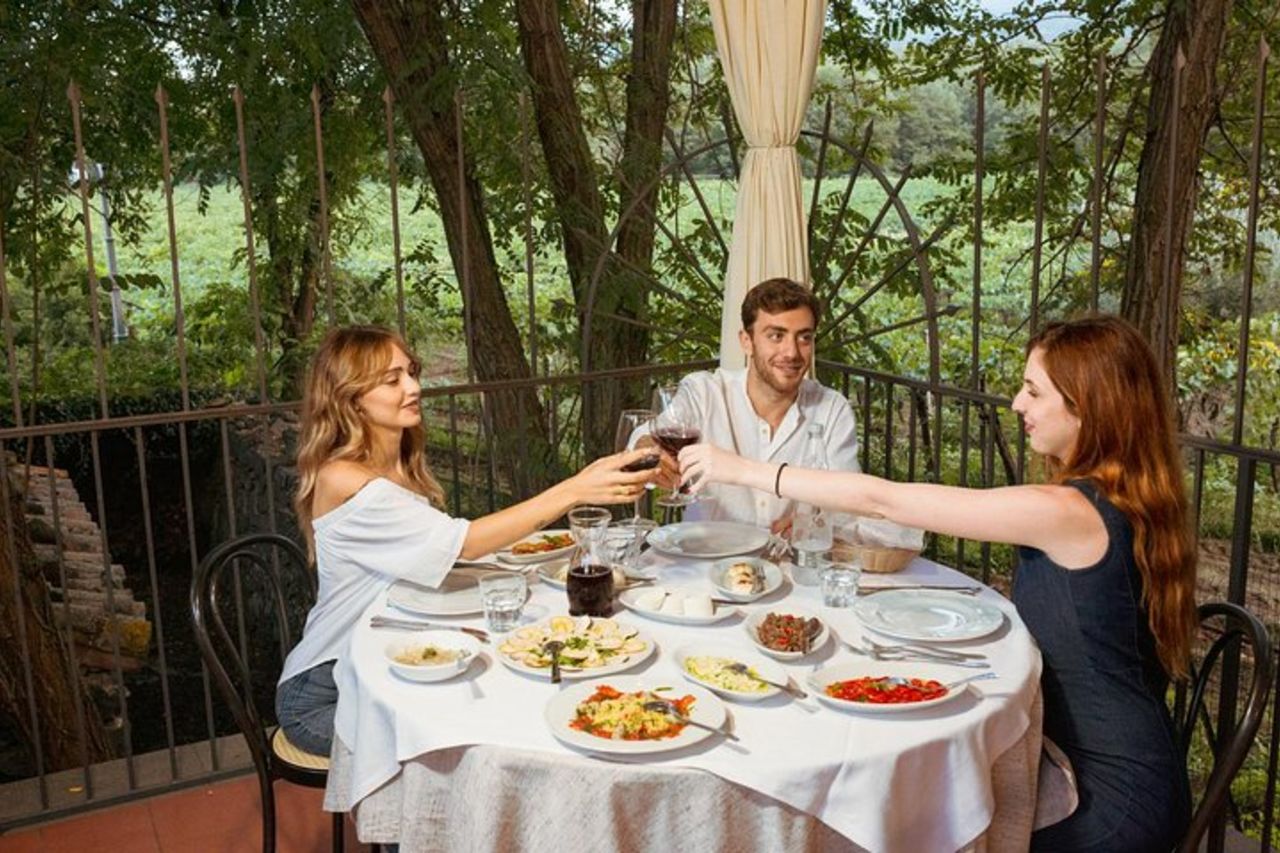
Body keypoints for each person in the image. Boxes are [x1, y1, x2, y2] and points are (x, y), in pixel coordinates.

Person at [679, 315, 1196, 851]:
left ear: (1086, 405)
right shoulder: (1121, 495)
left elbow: (883, 500)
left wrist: (741, 469)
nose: (1017, 403)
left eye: (1033, 391)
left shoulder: (1068, 512)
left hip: (1111, 803)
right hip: (1108, 764)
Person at [276, 325, 656, 758]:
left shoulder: (399, 463)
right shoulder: (345, 479)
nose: (414, 387)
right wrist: (575, 489)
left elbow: (441, 552)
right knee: (465, 739)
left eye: (411, 372)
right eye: (392, 380)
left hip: (395, 656)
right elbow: (466, 543)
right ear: (352, 398)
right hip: (325, 690)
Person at [643, 277, 859, 533]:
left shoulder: (833, 409)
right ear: (747, 341)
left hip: (792, 555)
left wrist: (818, 523)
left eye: (804, 338)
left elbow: (851, 503)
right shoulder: (705, 392)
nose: (791, 352)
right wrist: (651, 452)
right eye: (776, 336)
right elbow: (642, 440)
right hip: (706, 554)